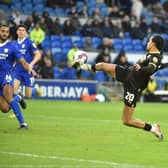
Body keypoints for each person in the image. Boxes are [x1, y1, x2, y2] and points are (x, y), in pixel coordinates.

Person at [73, 35, 165, 140]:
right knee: (103, 66)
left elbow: (150, 69)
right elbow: (157, 65)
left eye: (149, 41)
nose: (147, 42)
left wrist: (141, 68)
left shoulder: (155, 58)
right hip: (127, 73)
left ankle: (153, 129)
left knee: (127, 120)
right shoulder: (153, 55)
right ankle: (83, 66)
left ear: (153, 44)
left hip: (133, 87)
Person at [0, 24, 33, 128]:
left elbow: (21, 60)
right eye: (2, 31)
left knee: (8, 96)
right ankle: (18, 97)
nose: (5, 33)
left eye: (7, 32)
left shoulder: (12, 46)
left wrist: (28, 68)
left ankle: (23, 123)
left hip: (6, 75)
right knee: (4, 109)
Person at [13, 24, 42, 102]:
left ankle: (36, 89)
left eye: (23, 30)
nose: (21, 32)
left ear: (25, 32)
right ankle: (16, 112)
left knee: (28, 96)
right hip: (17, 71)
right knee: (13, 91)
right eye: (20, 30)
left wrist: (31, 64)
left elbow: (38, 54)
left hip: (27, 71)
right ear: (17, 32)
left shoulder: (29, 42)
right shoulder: (14, 44)